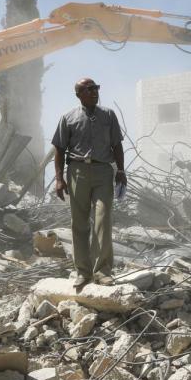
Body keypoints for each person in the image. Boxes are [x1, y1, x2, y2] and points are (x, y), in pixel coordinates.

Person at [51, 77, 127, 288]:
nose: (95, 92)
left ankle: (102, 271)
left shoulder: (108, 115)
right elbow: (58, 149)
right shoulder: (68, 118)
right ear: (79, 94)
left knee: (103, 219)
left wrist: (120, 170)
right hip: (77, 172)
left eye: (96, 88)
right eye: (89, 89)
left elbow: (117, 145)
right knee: (80, 223)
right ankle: (83, 272)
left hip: (103, 171)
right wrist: (59, 179)